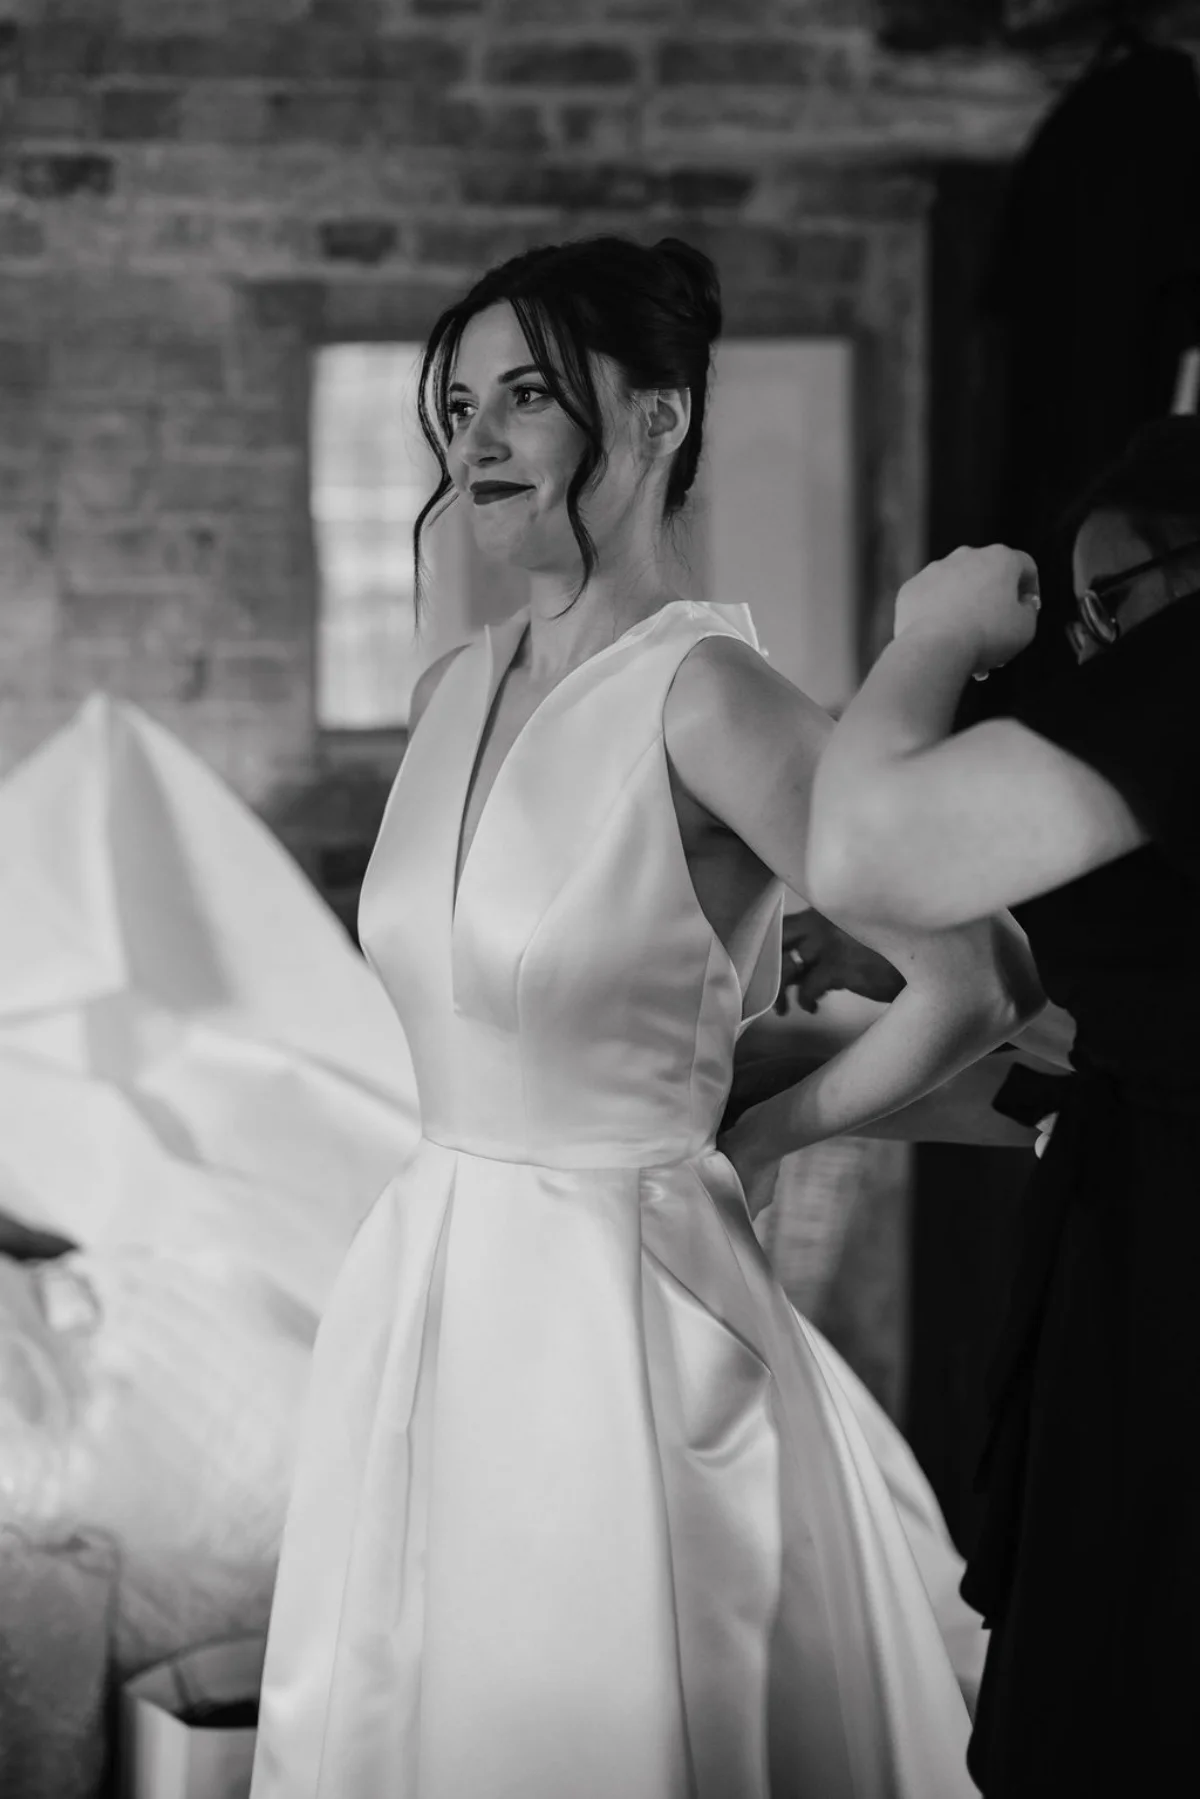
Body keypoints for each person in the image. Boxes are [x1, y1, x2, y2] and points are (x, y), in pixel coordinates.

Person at [249, 235, 1044, 1799]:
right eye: (459, 403)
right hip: (423, 1288)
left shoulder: (711, 696)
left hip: (619, 1327)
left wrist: (766, 1127)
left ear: (662, 417)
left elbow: (979, 971)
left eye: (527, 397)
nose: (472, 442)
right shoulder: (453, 687)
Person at [806, 415, 1200, 1799]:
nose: (1093, 655)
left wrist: (933, 634)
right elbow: (1120, 1062)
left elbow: (862, 848)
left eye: (1115, 604)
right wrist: (821, 1082)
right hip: (1131, 1276)